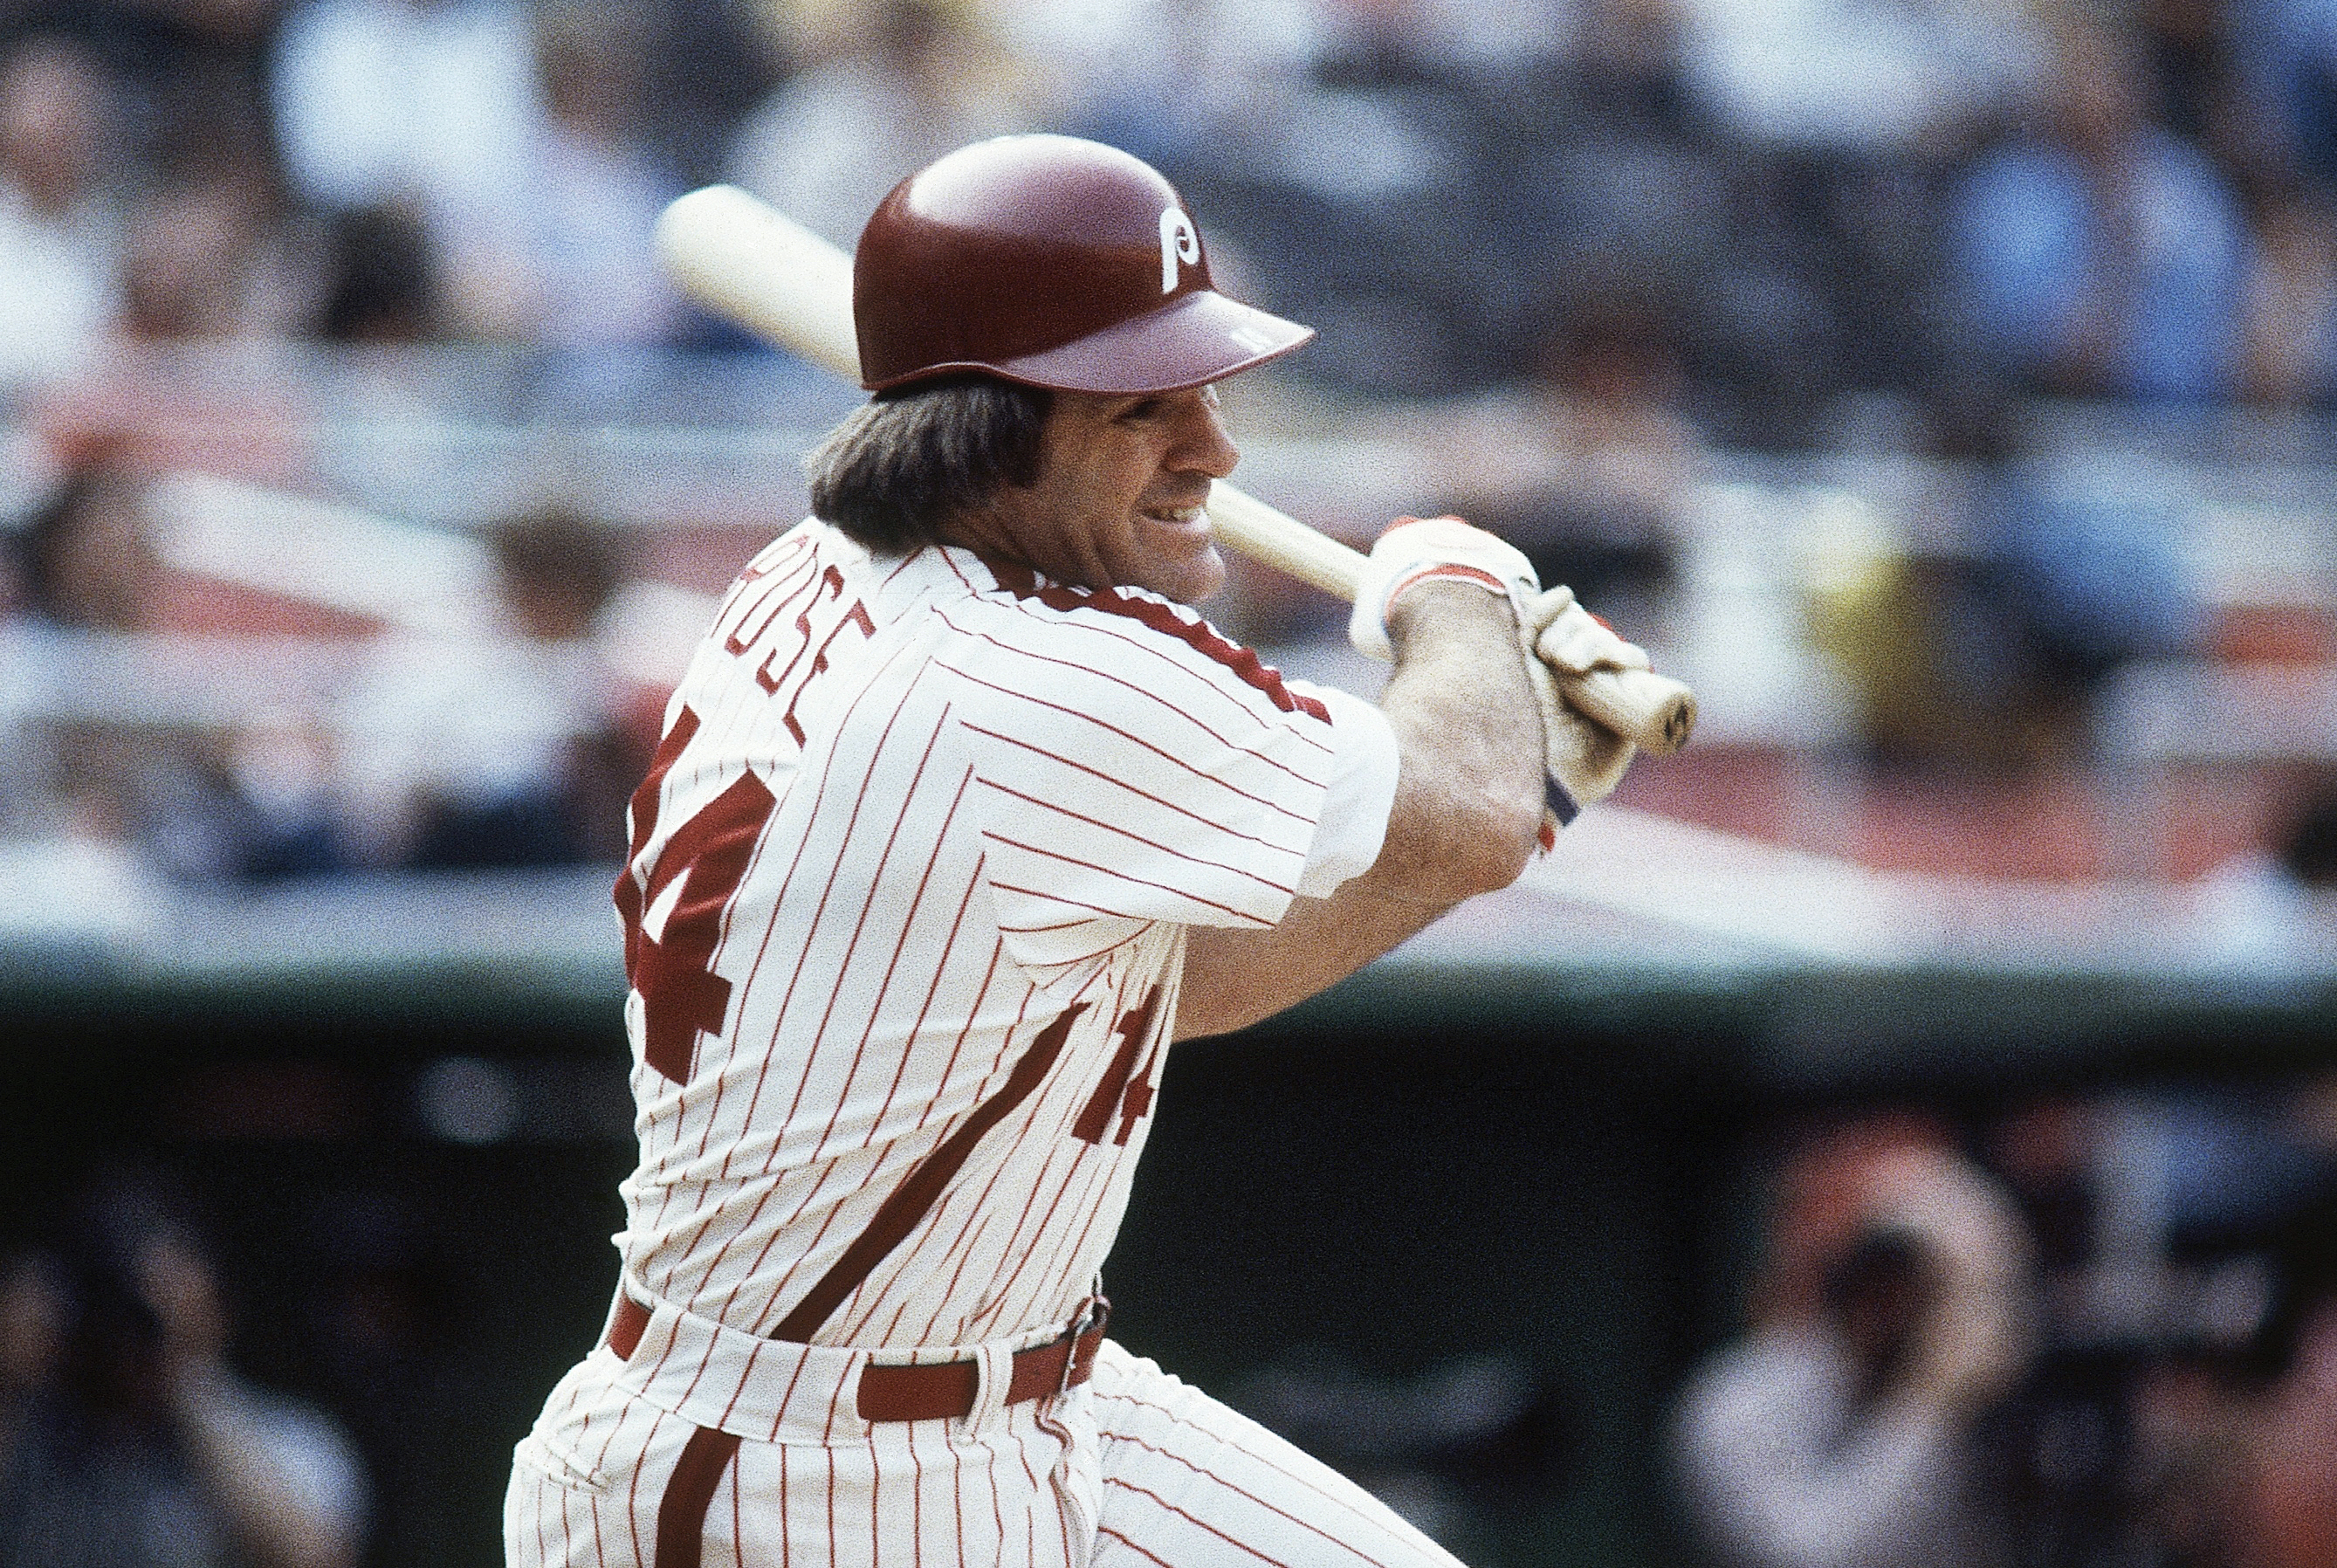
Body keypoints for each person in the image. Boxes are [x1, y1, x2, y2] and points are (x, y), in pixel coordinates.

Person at [504, 134, 1645, 1568]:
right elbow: (1453, 801)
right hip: (787, 1485)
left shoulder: (818, 573)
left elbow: (1202, 979)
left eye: (1206, 396)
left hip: (1016, 1403)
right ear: (990, 430)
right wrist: (1458, 578)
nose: (1215, 452)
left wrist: (1527, 784)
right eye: (1144, 408)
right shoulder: (1028, 679)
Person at [1672, 1125, 2034, 1568]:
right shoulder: (1734, 1402)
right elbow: (1806, 1557)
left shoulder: (1972, 1388)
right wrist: (1928, 1410)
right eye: (1882, 1272)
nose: (1897, 1299)